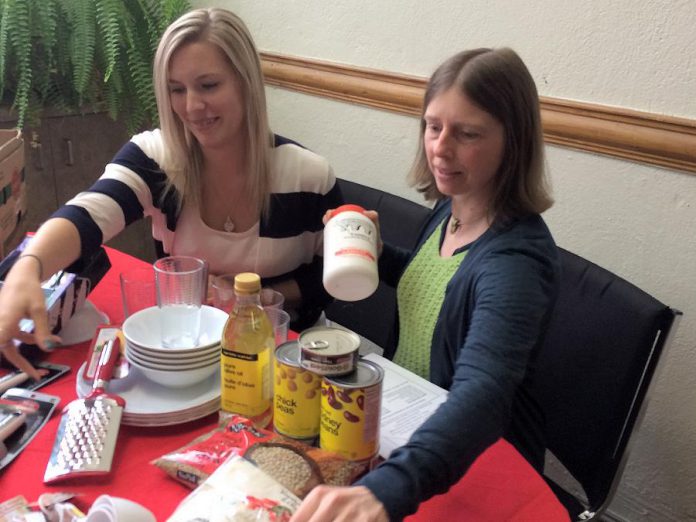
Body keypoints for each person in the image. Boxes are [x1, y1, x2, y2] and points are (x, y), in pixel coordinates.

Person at [291, 48, 560, 522]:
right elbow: (430, 280)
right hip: (405, 426)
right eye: (433, 127)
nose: (440, 147)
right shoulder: (451, 209)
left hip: (467, 460)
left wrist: (389, 489)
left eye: (467, 133)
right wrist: (373, 251)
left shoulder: (516, 262)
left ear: (512, 141)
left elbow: (483, 391)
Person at [0, 8, 341, 380]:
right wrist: (27, 269)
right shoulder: (155, 158)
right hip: (188, 355)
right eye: (177, 89)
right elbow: (88, 214)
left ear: (246, 83)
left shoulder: (309, 177)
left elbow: (327, 281)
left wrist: (250, 300)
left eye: (209, 85)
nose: (192, 107)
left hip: (286, 363)